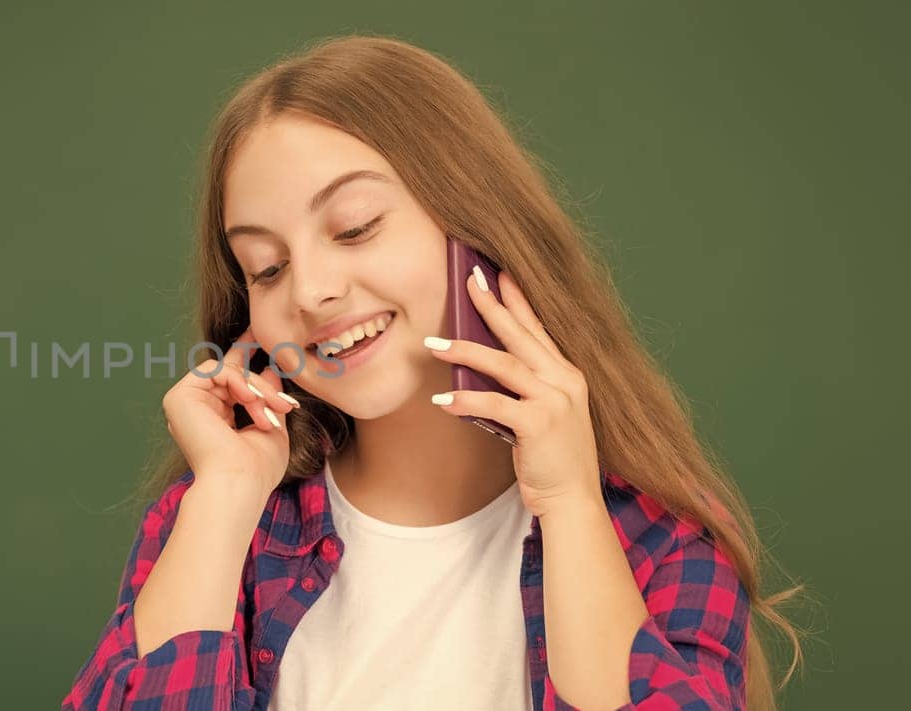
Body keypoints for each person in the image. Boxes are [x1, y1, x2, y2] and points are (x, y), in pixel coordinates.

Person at [60, 35, 807, 711]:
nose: (311, 290)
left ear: (474, 225)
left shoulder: (659, 532)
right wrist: (223, 494)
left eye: (355, 227)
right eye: (267, 266)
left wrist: (569, 503)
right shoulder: (224, 526)